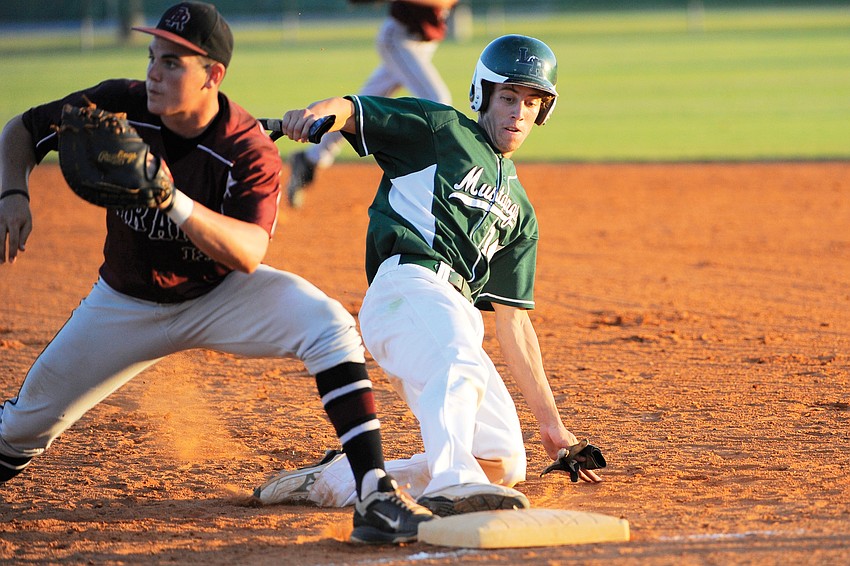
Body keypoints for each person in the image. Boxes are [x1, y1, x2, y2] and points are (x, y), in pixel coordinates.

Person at [0, 1, 434, 545]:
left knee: (328, 325)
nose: (155, 72)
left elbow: (248, 252)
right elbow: (22, 129)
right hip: (125, 304)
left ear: (214, 75)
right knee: (20, 428)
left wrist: (168, 198)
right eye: (153, 57)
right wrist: (13, 192)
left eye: (174, 63)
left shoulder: (247, 149)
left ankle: (376, 495)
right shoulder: (118, 107)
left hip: (221, 295)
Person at [255, 34, 603, 516]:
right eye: (507, 98)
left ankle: (338, 479)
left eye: (531, 102)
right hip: (407, 289)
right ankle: (453, 481)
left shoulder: (521, 213)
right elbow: (354, 109)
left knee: (503, 461)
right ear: (482, 94)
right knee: (457, 363)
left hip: (452, 315)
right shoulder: (441, 129)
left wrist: (553, 428)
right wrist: (315, 113)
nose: (518, 112)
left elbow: (515, 324)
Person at [285, 0, 458, 208]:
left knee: (357, 113)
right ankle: (437, 177)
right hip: (400, 40)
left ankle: (309, 159)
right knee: (439, 101)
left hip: (420, 44)